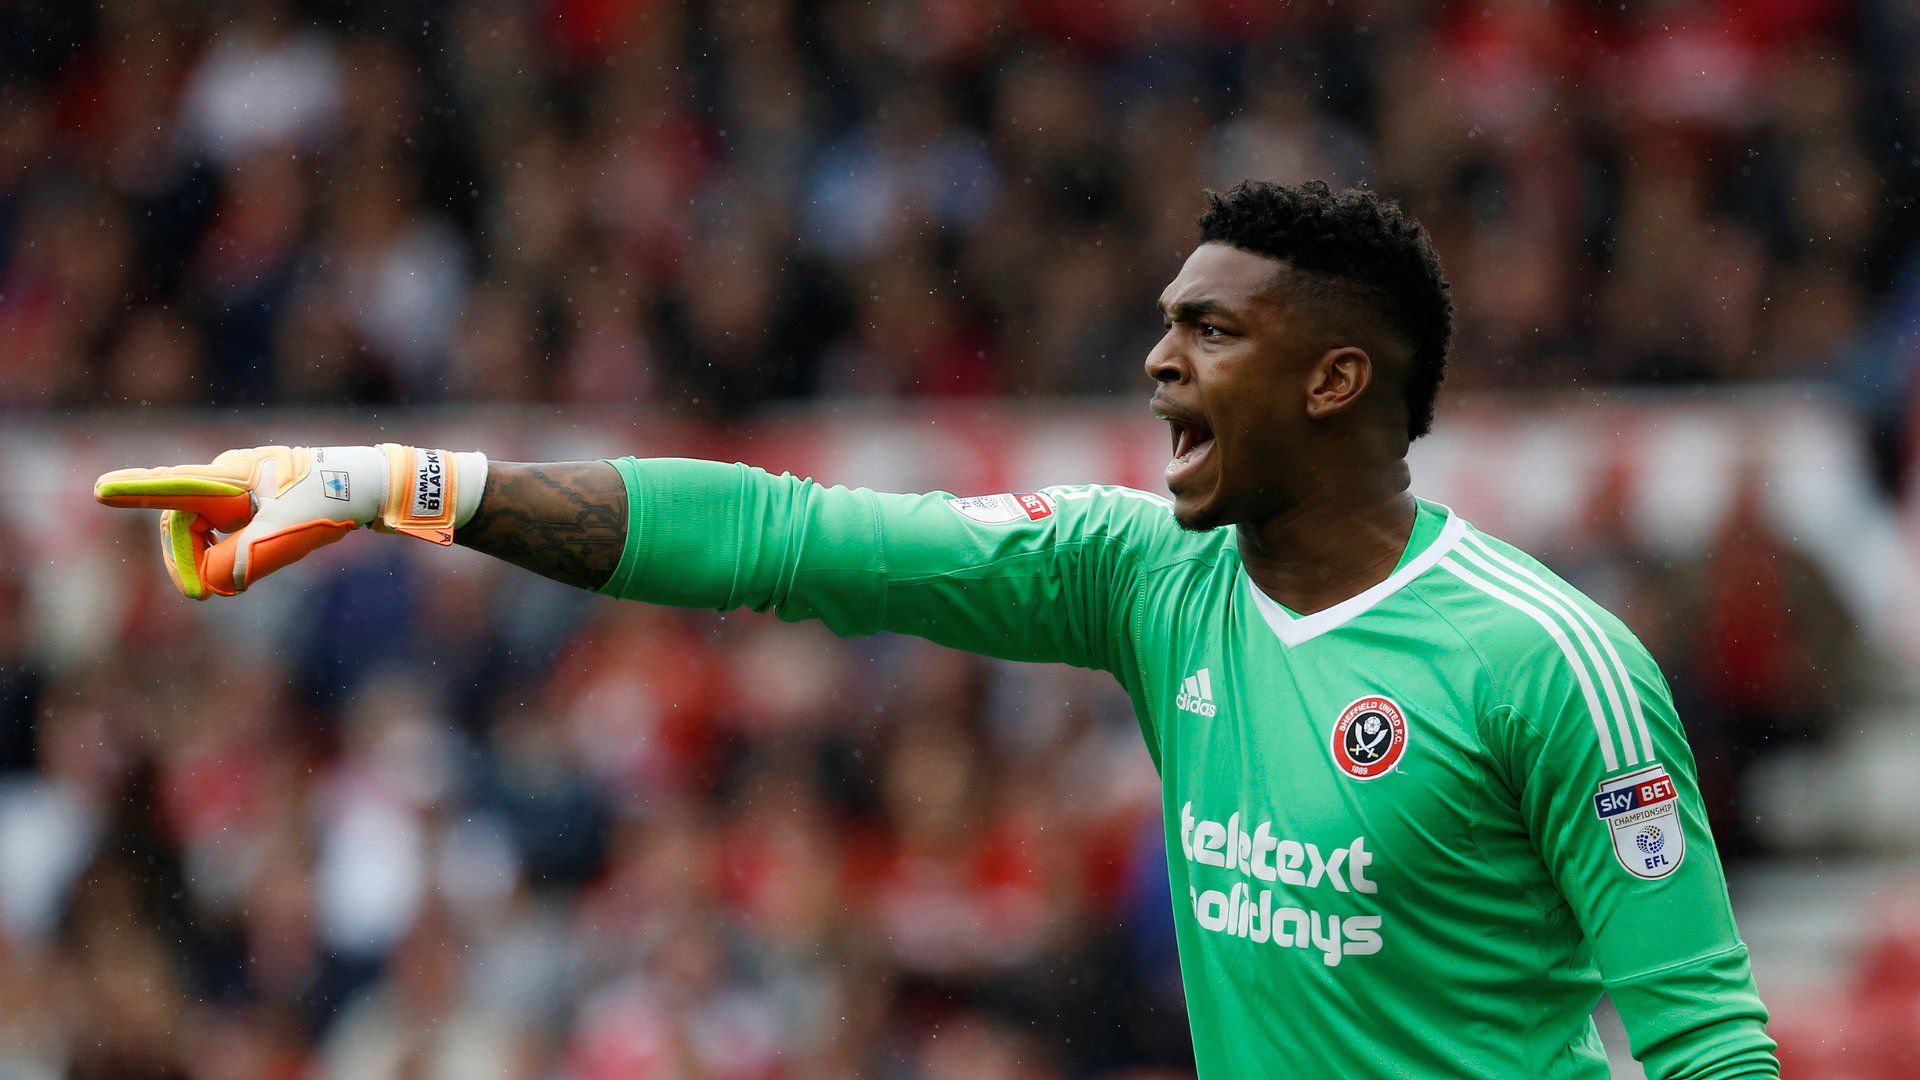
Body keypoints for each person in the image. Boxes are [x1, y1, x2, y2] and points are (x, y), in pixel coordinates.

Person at [94, 180, 1777, 1078]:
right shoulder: (1146, 575)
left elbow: (1707, 1048)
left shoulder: (1546, 662)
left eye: (1211, 332)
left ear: (1340, 380)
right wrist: (393, 475)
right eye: (1164, 325)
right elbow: (782, 533)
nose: (1159, 363)